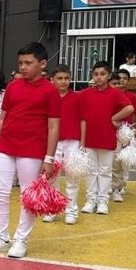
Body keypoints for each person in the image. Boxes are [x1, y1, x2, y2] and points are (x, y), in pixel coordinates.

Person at [0, 43, 61, 259]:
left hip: (32, 150)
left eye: (28, 63)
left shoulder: (50, 91)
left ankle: (21, 240)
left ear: (42, 64)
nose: (23, 67)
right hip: (6, 145)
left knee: (28, 195)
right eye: (20, 63)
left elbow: (54, 127)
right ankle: (0, 236)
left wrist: (49, 158)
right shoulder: (13, 87)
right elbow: (2, 117)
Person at [79, 62, 135, 216]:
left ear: (109, 75)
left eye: (102, 74)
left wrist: (115, 117)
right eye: (96, 74)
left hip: (107, 137)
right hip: (89, 138)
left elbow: (130, 108)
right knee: (91, 171)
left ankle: (103, 201)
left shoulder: (115, 93)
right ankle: (91, 200)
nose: (99, 77)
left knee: (105, 171)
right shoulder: (85, 93)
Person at [44, 65, 82, 225]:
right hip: (53, 142)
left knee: (73, 177)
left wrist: (83, 143)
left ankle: (71, 211)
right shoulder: (47, 98)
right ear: (52, 80)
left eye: (66, 78)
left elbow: (83, 120)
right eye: (59, 78)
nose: (63, 81)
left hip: (73, 141)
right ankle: (52, 209)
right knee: (52, 177)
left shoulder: (77, 98)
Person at [111, 70, 136, 202]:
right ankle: (111, 185)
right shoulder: (109, 95)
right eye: (118, 80)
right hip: (110, 130)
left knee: (122, 161)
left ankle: (119, 185)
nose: (121, 81)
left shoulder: (131, 96)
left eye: (124, 79)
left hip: (125, 132)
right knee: (112, 161)